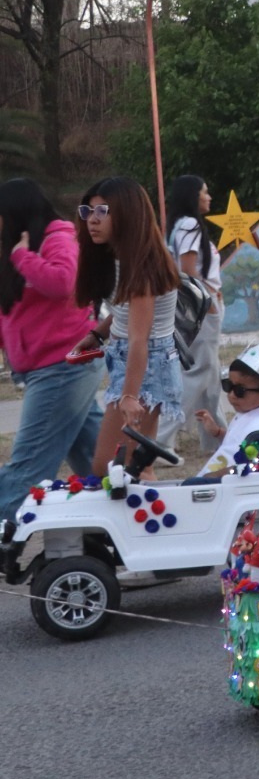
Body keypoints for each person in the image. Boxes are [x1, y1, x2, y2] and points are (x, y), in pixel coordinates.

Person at [0, 179, 104, 527]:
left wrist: (22, 257)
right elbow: (10, 312)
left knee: (28, 464)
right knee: (99, 460)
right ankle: (140, 525)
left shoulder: (58, 238)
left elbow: (64, 282)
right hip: (47, 367)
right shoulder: (13, 247)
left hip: (63, 366)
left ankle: (4, 525)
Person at [71, 178, 181, 474]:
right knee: (132, 467)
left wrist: (130, 396)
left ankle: (153, 518)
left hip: (145, 368)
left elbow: (139, 339)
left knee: (112, 468)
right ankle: (151, 518)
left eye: (102, 211)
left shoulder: (143, 268)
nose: (92, 220)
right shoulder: (124, 258)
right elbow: (125, 312)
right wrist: (97, 334)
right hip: (134, 364)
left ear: (128, 214)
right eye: (88, 211)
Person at [155, 176, 223, 464]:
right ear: (193, 196)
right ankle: (158, 439)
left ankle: (217, 439)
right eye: (205, 192)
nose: (209, 197)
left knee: (210, 374)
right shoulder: (190, 226)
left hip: (195, 304)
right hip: (201, 306)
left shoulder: (178, 227)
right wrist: (206, 302)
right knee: (198, 373)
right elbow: (187, 269)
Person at [195, 343, 259, 475]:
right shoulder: (250, 412)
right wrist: (218, 432)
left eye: (240, 390)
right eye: (228, 385)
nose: (231, 395)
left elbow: (250, 468)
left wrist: (208, 478)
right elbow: (238, 443)